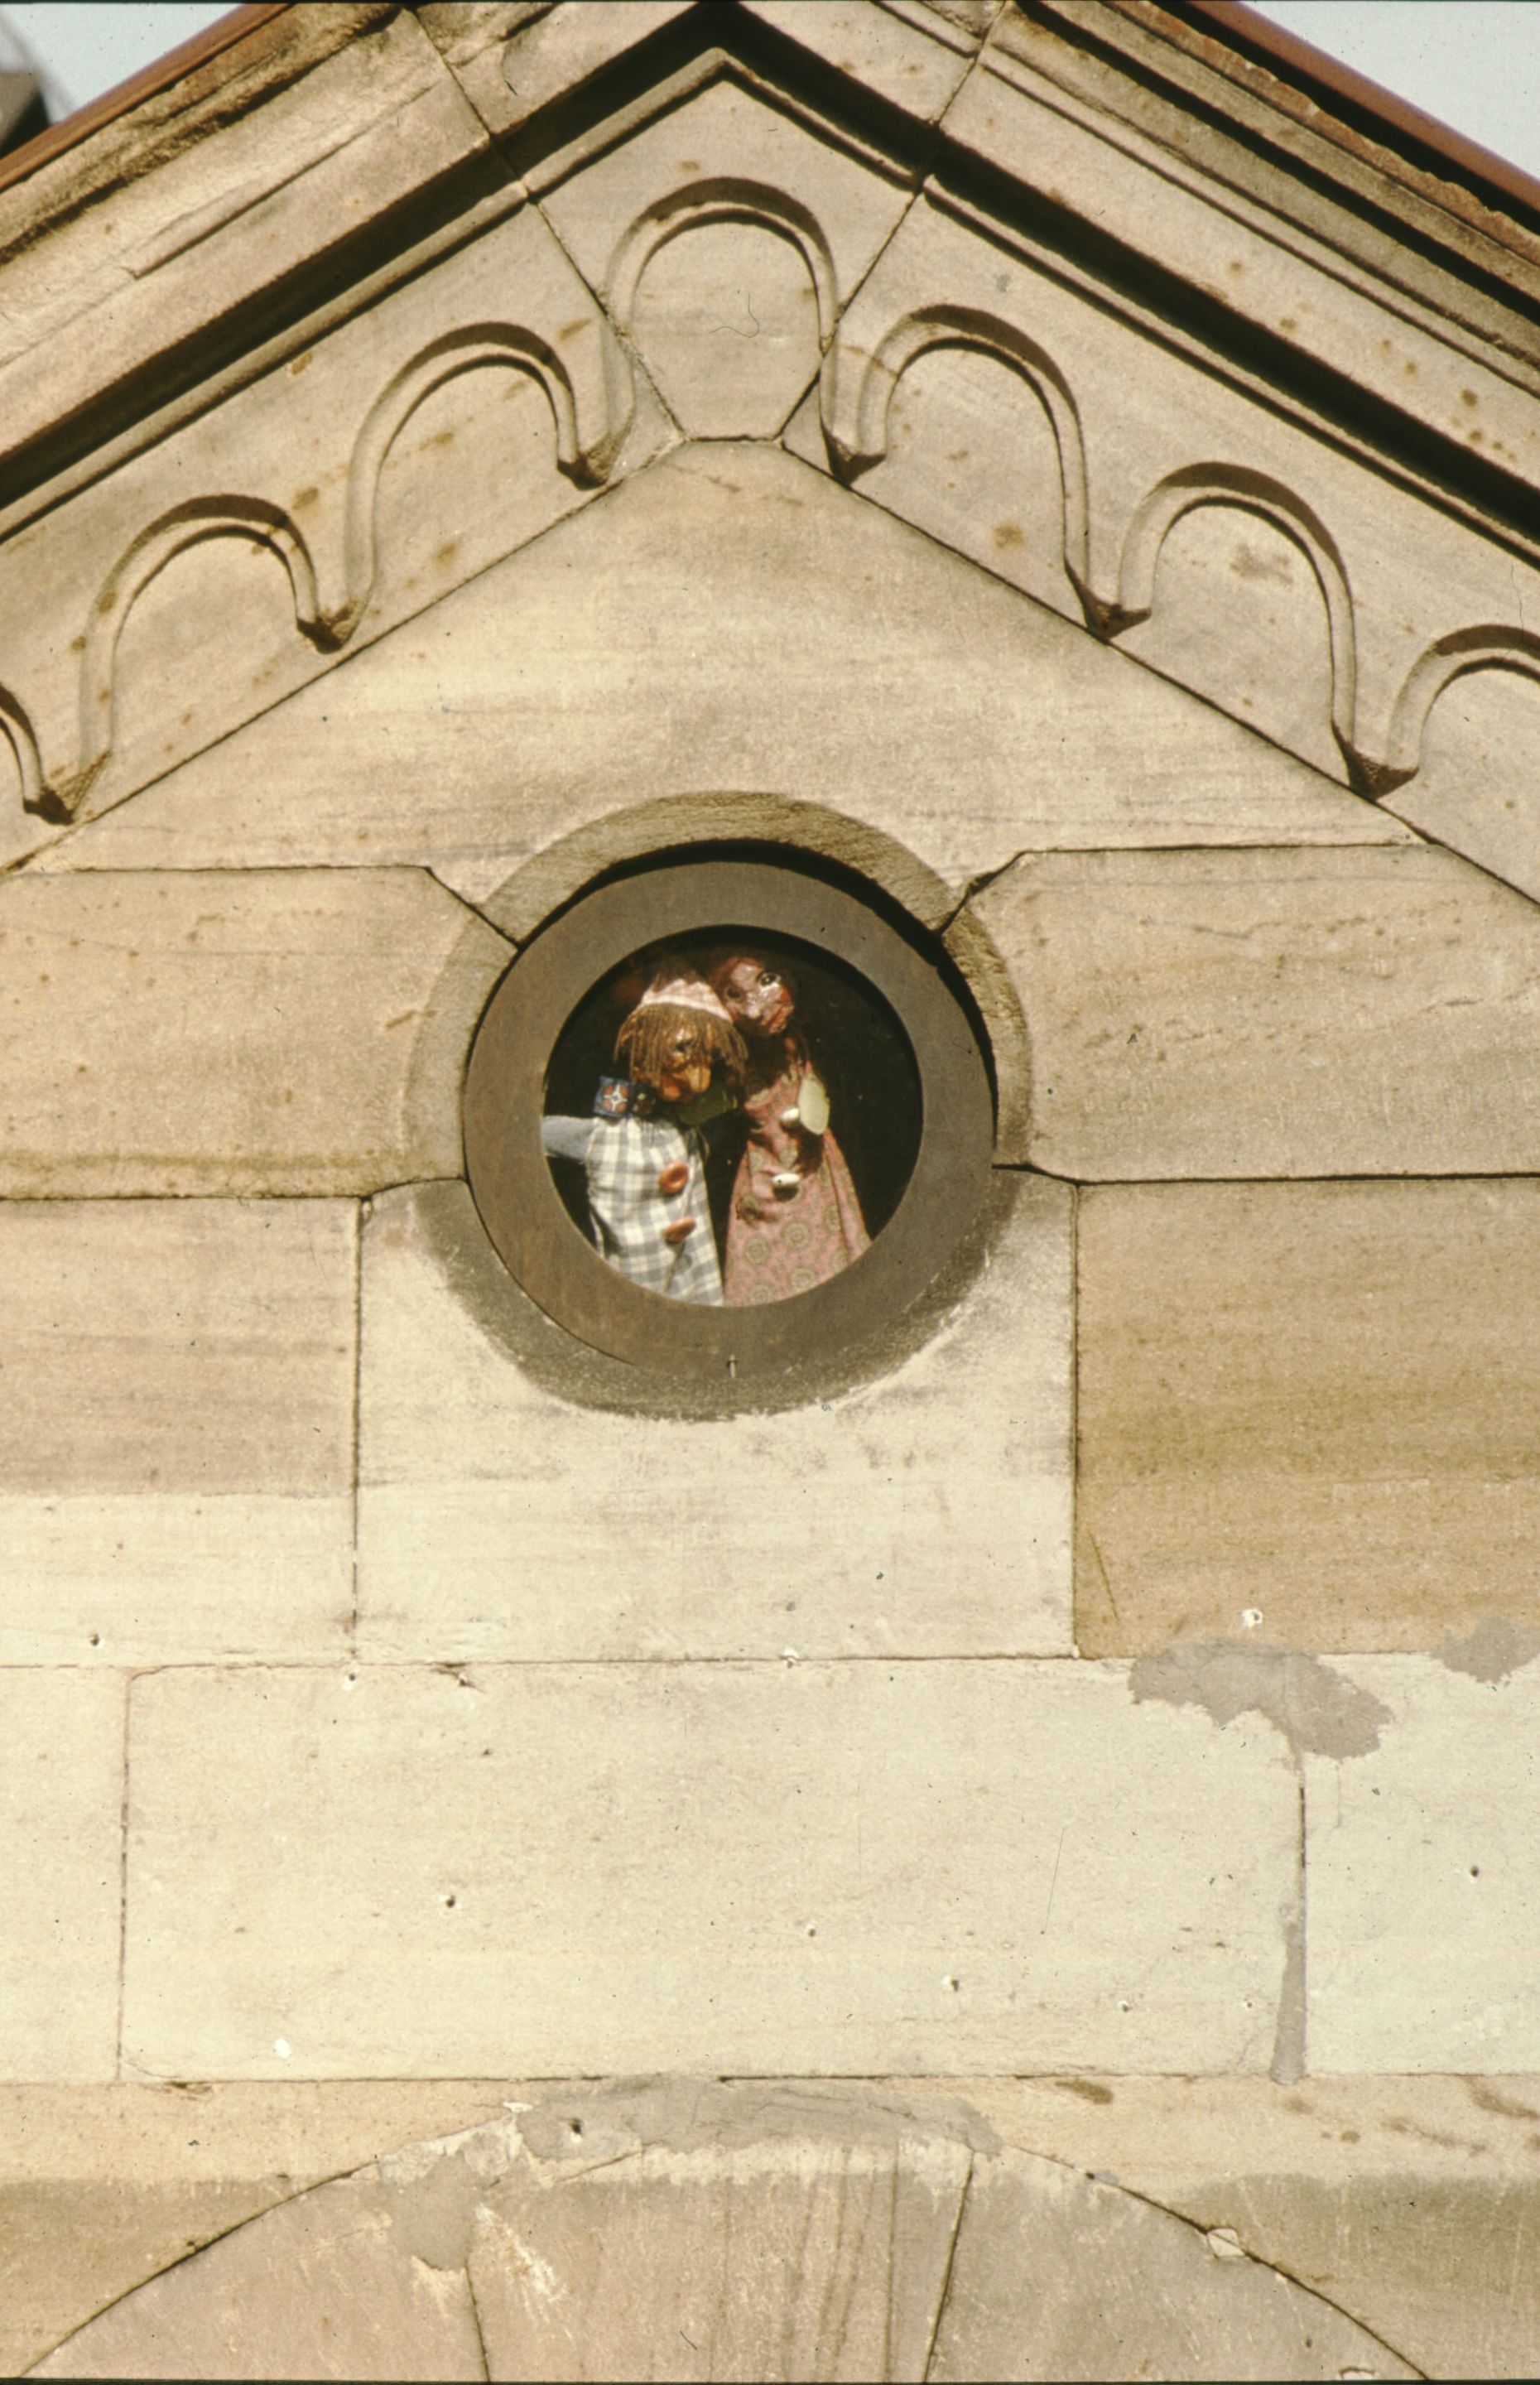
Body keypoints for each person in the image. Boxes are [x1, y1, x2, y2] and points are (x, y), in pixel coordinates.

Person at [541, 957, 746, 1302]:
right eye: (682, 1049)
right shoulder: (607, 1135)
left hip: (691, 1290)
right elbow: (540, 1134)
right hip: (629, 1296)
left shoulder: (688, 1134)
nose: (700, 1077)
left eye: (708, 1057)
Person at [707, 950, 869, 1304]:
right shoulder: (736, 1059)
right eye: (734, 995)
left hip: (812, 1166)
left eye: (766, 982)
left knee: (831, 1253)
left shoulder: (802, 1044)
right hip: (761, 1177)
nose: (754, 1010)